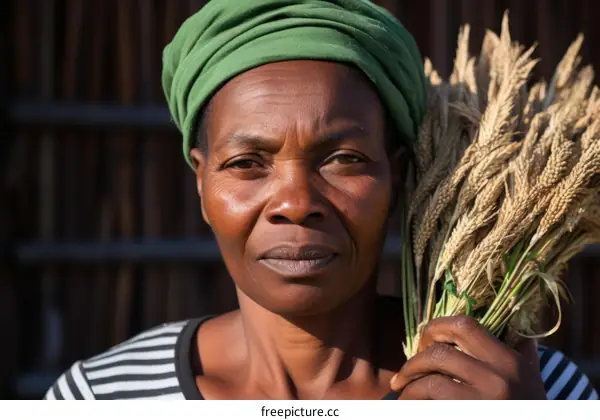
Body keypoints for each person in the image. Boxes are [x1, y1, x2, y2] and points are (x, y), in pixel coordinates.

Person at [44, 0, 598, 400]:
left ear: (400, 177)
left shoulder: (523, 389)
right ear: (201, 183)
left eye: (344, 159)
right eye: (246, 164)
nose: (295, 201)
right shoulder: (101, 398)